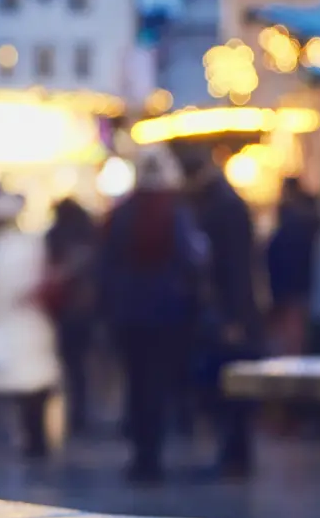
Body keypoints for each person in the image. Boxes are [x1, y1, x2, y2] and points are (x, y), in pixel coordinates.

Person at [100, 149, 208, 482]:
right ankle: (154, 453)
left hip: (131, 310)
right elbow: (194, 257)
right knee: (158, 384)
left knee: (136, 382)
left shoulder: (122, 214)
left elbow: (106, 263)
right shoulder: (176, 212)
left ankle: (142, 454)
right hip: (167, 311)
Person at [175, 142, 264, 477]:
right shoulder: (218, 204)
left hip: (229, 312)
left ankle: (236, 454)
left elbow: (236, 266)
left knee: (230, 386)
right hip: (226, 310)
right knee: (224, 385)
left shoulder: (221, 207)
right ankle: (233, 452)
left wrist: (235, 316)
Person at [0, 192, 60, 457]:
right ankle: (35, 442)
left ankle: (9, 441)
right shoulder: (30, 245)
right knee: (33, 390)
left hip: (5, 327)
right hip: (29, 326)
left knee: (5, 392)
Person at [42, 198, 100, 436]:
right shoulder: (89, 237)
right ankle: (80, 411)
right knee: (79, 366)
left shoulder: (55, 236)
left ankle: (75, 411)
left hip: (64, 308)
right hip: (83, 309)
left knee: (68, 362)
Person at [264, 178, 320, 357]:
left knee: (291, 336)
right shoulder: (306, 222)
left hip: (289, 288)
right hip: (298, 288)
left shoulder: (291, 223)